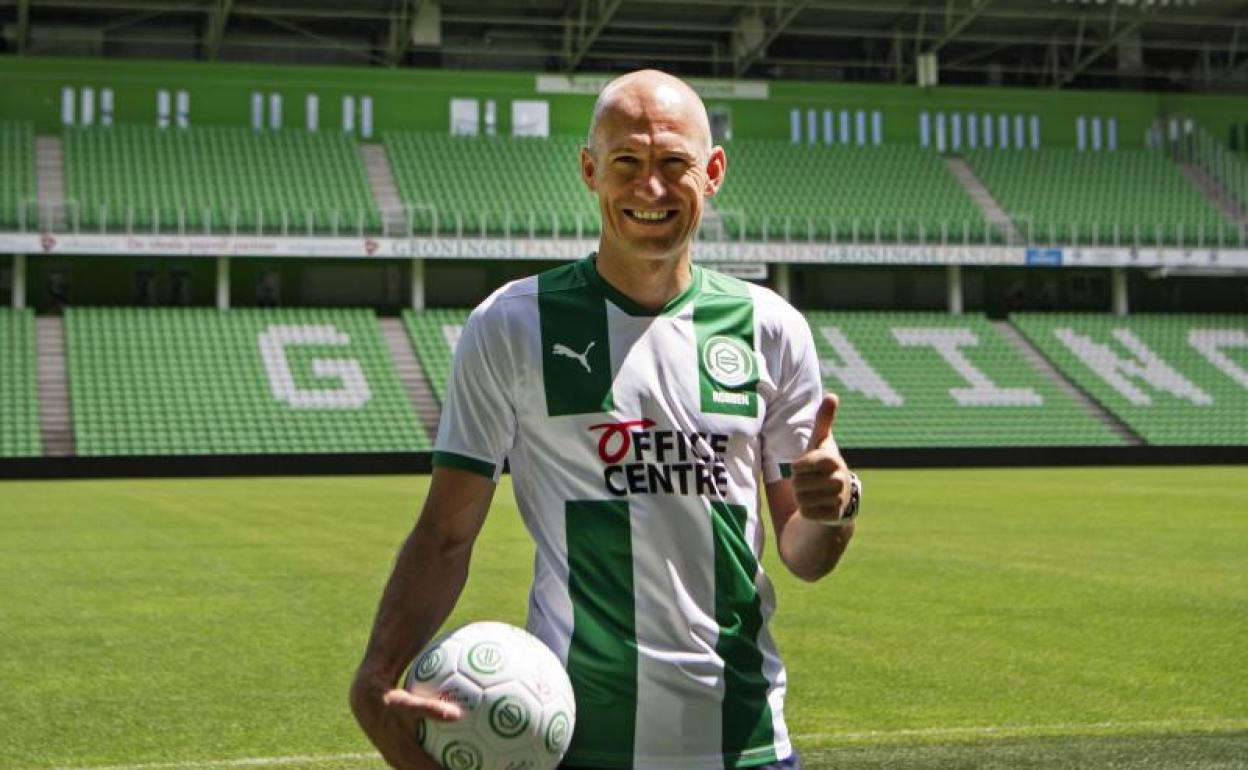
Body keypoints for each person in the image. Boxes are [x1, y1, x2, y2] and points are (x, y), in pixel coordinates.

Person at [350, 69, 861, 770]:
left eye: (673, 164)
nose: (649, 189)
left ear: (712, 173)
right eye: (626, 162)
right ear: (591, 170)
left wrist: (834, 511)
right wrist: (377, 676)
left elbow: (803, 553)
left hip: (744, 742)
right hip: (577, 747)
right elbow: (445, 535)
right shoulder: (511, 326)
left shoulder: (770, 328)